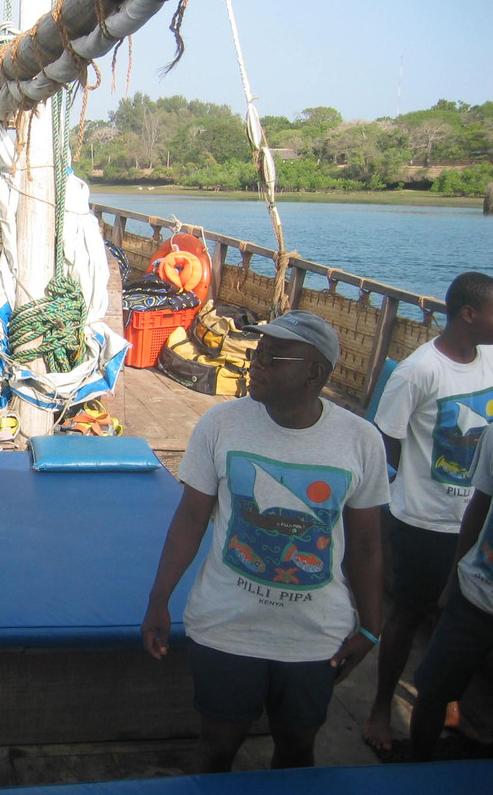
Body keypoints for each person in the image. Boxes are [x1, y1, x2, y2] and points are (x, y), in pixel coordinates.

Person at [142, 310, 389, 772]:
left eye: (274, 358)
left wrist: (371, 627)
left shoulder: (360, 440)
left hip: (314, 638)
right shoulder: (220, 425)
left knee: (297, 748)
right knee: (216, 746)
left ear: (314, 373)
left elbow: (368, 545)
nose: (256, 363)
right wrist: (159, 601)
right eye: (256, 354)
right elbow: (191, 518)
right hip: (226, 627)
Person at [363, 271, 493, 752]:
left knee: (456, 615)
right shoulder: (419, 371)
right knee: (408, 616)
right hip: (423, 520)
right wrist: (418, 484)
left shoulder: (490, 361)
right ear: (469, 314)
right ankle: (380, 707)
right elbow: (387, 442)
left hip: (475, 523)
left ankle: (445, 699)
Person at [410, 425, 493, 760]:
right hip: (474, 595)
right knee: (431, 690)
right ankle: (418, 769)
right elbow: (478, 506)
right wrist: (453, 580)